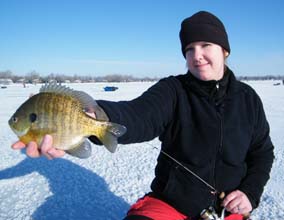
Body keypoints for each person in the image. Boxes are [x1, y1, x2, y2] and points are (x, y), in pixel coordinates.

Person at [12, 11, 274, 220]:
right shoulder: (173, 90)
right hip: (170, 205)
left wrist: (250, 193)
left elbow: (262, 152)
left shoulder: (248, 99)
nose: (197, 56)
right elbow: (138, 115)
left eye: (206, 45)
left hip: (226, 210)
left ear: (224, 50)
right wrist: (94, 115)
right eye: (189, 49)